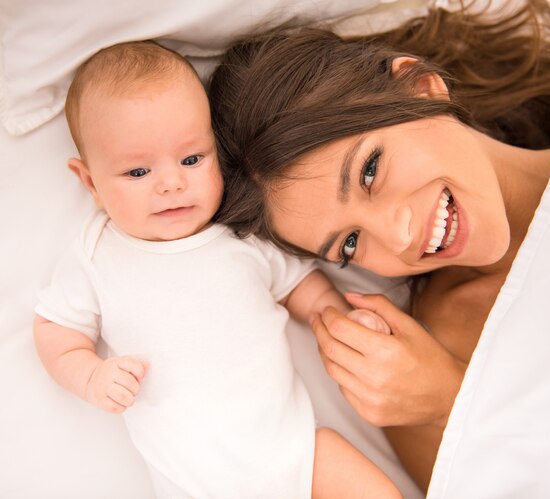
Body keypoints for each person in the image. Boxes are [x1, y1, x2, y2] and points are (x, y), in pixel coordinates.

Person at [207, 0, 550, 493]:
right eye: (349, 244)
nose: (398, 237)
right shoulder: (420, 366)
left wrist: (458, 399)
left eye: (370, 171)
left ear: (421, 87)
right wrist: (444, 398)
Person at [32, 41, 401, 499]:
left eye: (192, 159)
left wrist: (339, 321)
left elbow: (301, 285)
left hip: (296, 453)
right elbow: (56, 330)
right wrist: (90, 376)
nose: (171, 183)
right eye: (137, 173)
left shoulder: (239, 232)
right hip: (196, 483)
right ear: (90, 181)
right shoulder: (97, 254)